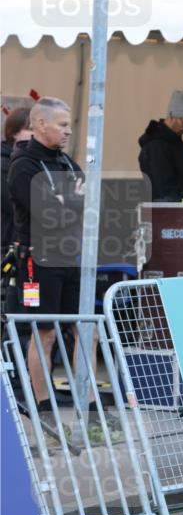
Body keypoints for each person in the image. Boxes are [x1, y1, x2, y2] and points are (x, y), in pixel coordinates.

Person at [7, 97, 86, 412]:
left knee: (86, 331)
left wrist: (65, 202)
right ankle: (41, 402)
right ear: (40, 125)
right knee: (44, 333)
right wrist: (68, 203)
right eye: (62, 125)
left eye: (69, 125)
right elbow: (47, 214)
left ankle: (88, 399)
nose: (68, 131)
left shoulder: (67, 163)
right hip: (37, 260)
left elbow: (87, 206)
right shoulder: (23, 165)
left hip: (70, 257)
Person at [138, 90, 183, 202]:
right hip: (171, 215)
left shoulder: (177, 144)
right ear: (172, 116)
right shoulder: (156, 147)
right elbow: (167, 193)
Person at [1, 105, 31, 255]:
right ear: (14, 133)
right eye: (30, 128)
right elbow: (14, 204)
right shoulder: (4, 164)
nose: (35, 134)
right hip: (8, 247)